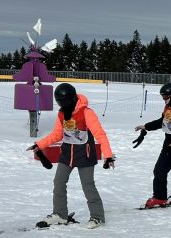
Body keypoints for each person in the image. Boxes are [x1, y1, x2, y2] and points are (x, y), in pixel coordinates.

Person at [28, 83, 115, 229]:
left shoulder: (86, 112)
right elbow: (57, 134)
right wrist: (40, 144)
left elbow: (100, 134)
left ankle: (98, 217)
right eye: (60, 103)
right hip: (67, 154)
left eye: (65, 102)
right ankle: (60, 214)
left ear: (73, 98)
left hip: (85, 155)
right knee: (59, 182)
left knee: (88, 186)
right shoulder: (62, 113)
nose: (63, 105)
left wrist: (108, 155)